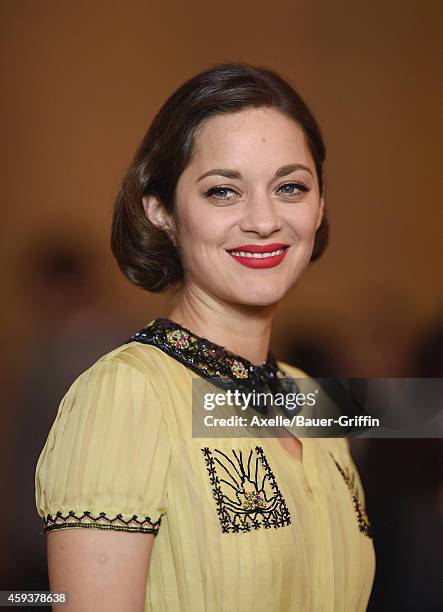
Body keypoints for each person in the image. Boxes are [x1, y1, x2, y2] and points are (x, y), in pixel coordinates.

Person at [35, 63, 375, 611]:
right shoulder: (126, 394)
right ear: (162, 211)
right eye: (223, 191)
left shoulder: (311, 398)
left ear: (319, 208)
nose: (264, 220)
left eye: (290, 186)